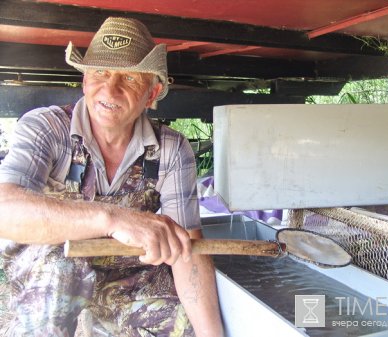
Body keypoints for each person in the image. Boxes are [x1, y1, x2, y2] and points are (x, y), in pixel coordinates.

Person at [0, 17, 223, 337]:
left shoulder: (171, 149)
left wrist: (210, 335)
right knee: (58, 266)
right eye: (99, 73)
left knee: (180, 319)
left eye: (129, 78)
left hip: (127, 278)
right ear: (84, 81)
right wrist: (112, 218)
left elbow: (188, 250)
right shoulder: (47, 129)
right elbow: (4, 210)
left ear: (152, 92)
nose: (110, 89)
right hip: (50, 278)